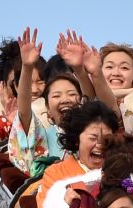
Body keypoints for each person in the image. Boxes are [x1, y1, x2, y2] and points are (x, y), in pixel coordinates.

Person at [8, 27, 85, 176]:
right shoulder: (43, 135)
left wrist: (80, 70)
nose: (64, 99)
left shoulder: (91, 131)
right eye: (56, 96)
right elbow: (24, 111)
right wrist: (27, 67)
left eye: (71, 94)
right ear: (47, 108)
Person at [34, 101, 121, 208]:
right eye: (93, 138)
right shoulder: (55, 173)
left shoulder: (121, 170)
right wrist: (66, 205)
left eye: (107, 139)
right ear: (76, 140)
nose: (100, 145)